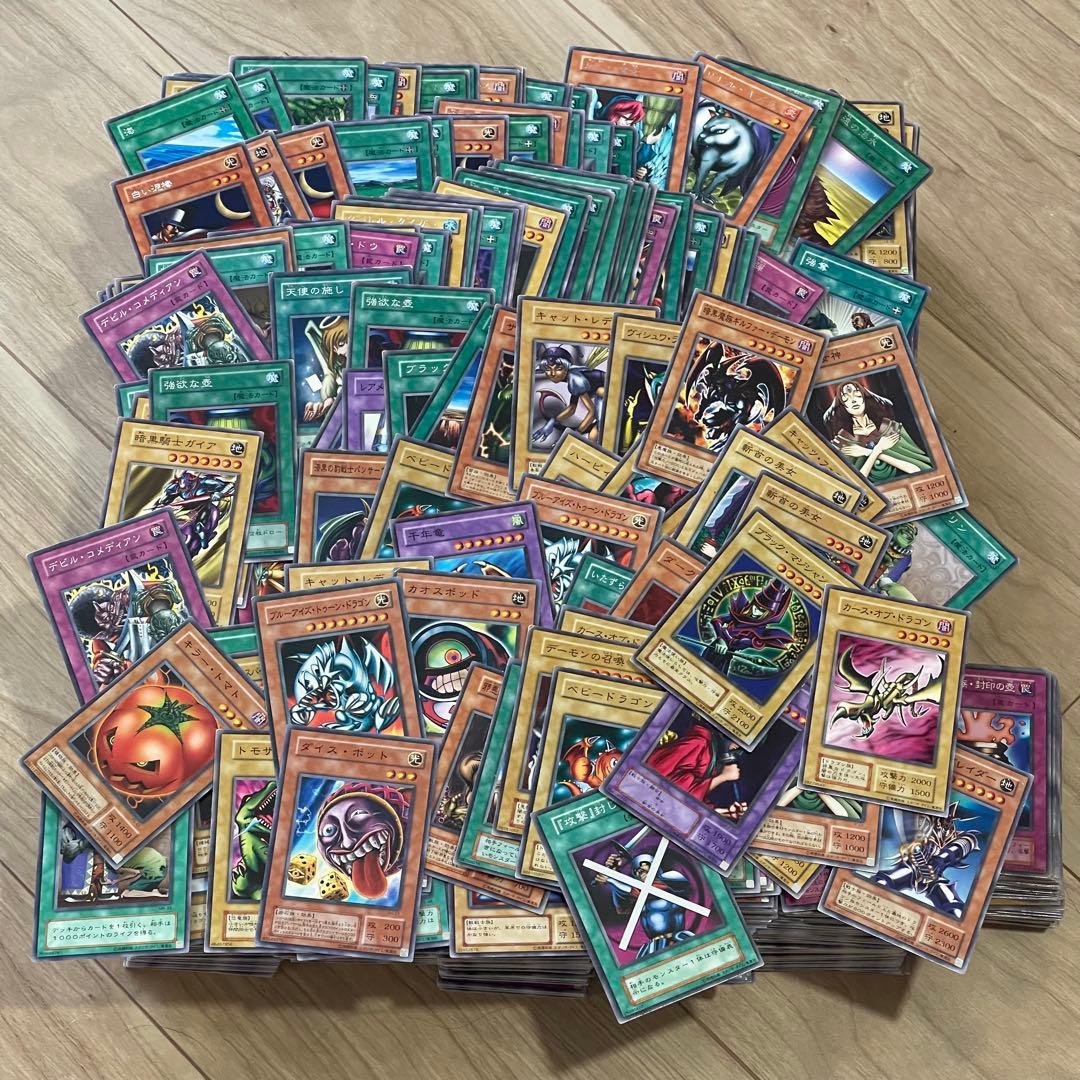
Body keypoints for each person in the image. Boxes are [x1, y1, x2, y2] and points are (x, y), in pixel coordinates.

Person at [820, 380, 932, 482]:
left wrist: (869, 452)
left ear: (864, 398)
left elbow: (917, 470)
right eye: (846, 399)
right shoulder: (842, 442)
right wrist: (876, 450)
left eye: (857, 395)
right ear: (843, 406)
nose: (853, 400)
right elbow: (855, 484)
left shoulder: (890, 428)